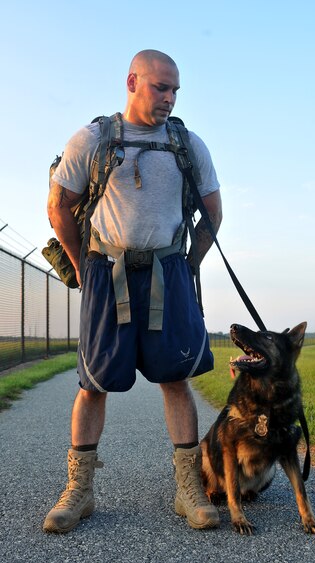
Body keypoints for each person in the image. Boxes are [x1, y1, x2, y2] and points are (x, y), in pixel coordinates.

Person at [43, 50, 222, 534]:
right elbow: (59, 206)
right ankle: (78, 493)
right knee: (93, 382)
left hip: (169, 272)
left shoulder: (188, 145)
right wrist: (84, 268)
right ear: (132, 81)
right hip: (107, 270)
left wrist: (187, 267)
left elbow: (214, 215)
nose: (169, 98)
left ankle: (189, 490)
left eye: (175, 90)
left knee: (175, 378)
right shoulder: (93, 139)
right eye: (161, 87)